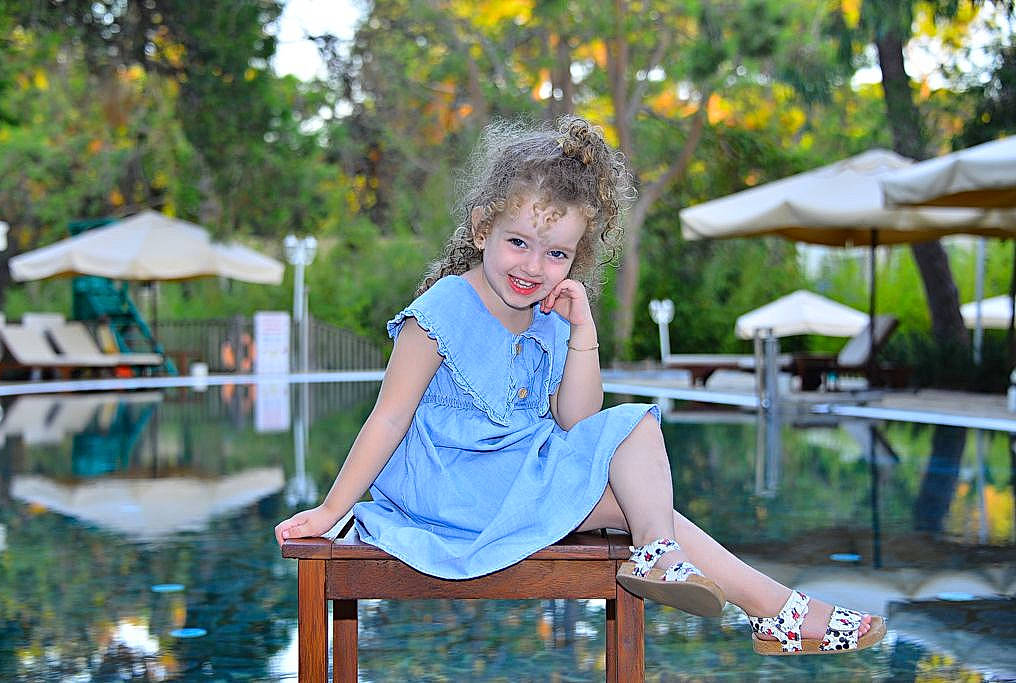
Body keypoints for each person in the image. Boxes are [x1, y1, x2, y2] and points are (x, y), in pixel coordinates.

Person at [274, 116, 886, 656]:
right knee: (653, 509)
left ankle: (730, 590)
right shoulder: (442, 311)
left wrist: (582, 331)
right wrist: (333, 510)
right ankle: (774, 609)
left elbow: (578, 422)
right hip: (452, 487)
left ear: (576, 259)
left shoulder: (548, 318)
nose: (532, 268)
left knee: (638, 435)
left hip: (515, 473)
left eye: (556, 255)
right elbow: (387, 419)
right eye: (518, 242)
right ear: (482, 228)